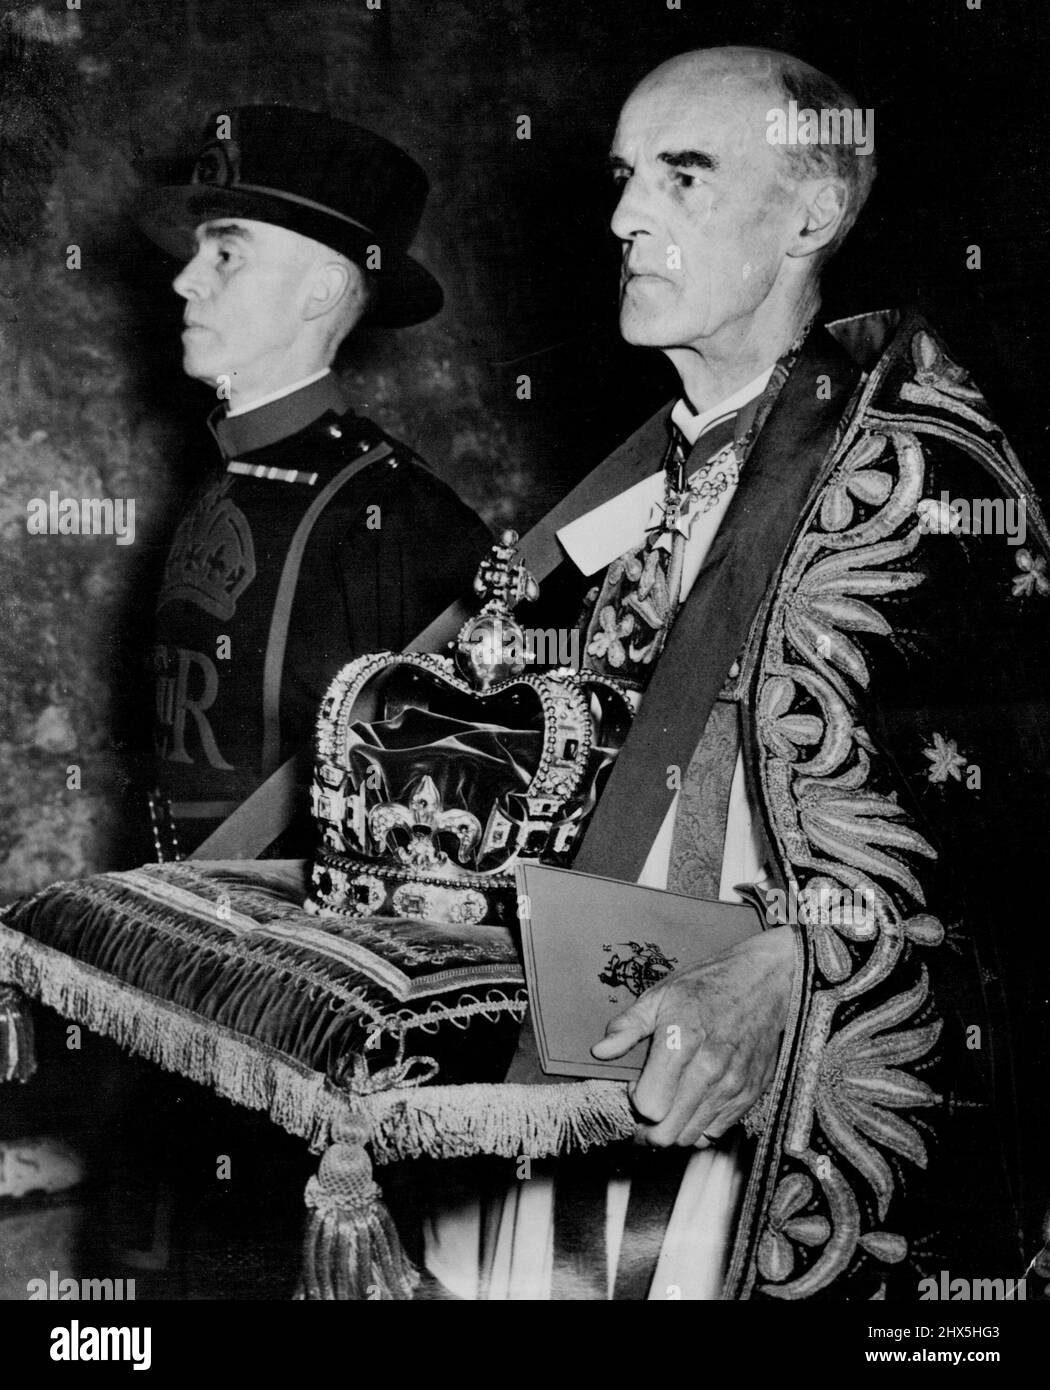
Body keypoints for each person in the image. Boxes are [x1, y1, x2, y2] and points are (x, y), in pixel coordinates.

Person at [418, 45, 1050, 1300]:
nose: (622, 216)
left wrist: (792, 965)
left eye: (684, 175)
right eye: (622, 176)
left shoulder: (931, 485)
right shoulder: (647, 481)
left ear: (811, 213)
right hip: (587, 1088)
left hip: (783, 1137)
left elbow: (1009, 835)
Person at [136, 105, 492, 857]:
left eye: (225, 254)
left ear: (323, 290)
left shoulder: (406, 521)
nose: (185, 280)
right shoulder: (220, 481)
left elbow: (437, 839)